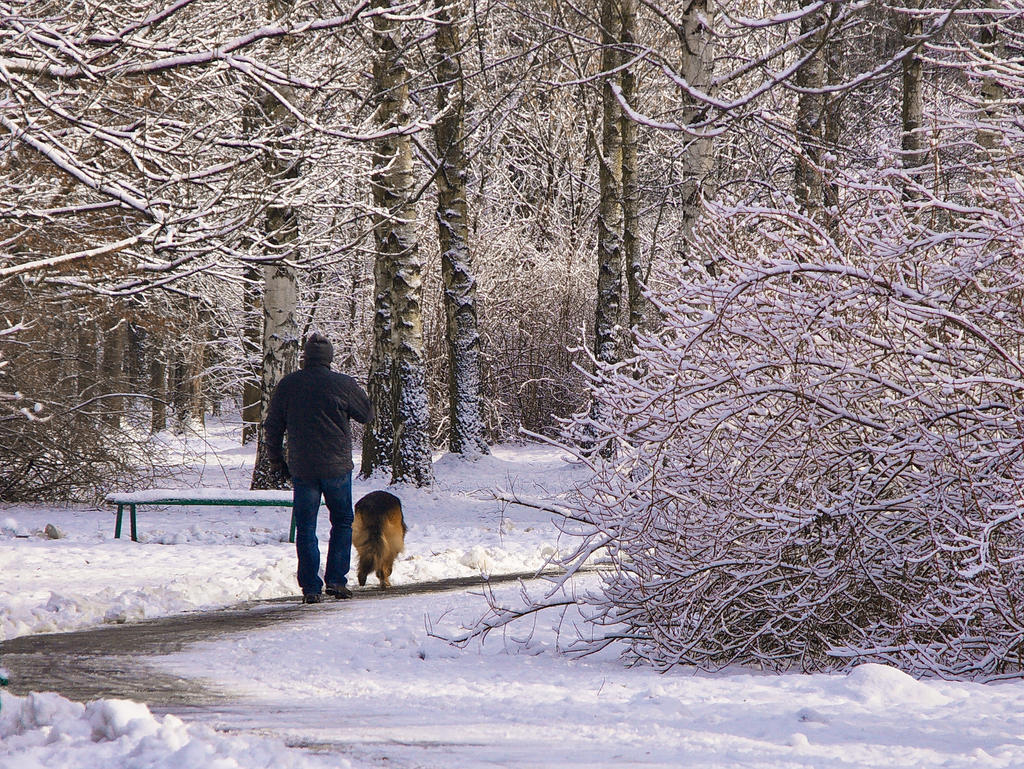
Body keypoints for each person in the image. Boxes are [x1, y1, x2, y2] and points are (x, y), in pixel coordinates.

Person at [264, 332, 373, 603]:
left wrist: (276, 459)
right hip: (337, 467)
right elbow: (367, 414)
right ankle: (336, 580)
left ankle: (311, 587)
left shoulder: (289, 385)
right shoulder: (342, 384)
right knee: (343, 521)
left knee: (306, 527)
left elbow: (273, 425)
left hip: (303, 468)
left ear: (306, 357)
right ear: (330, 358)